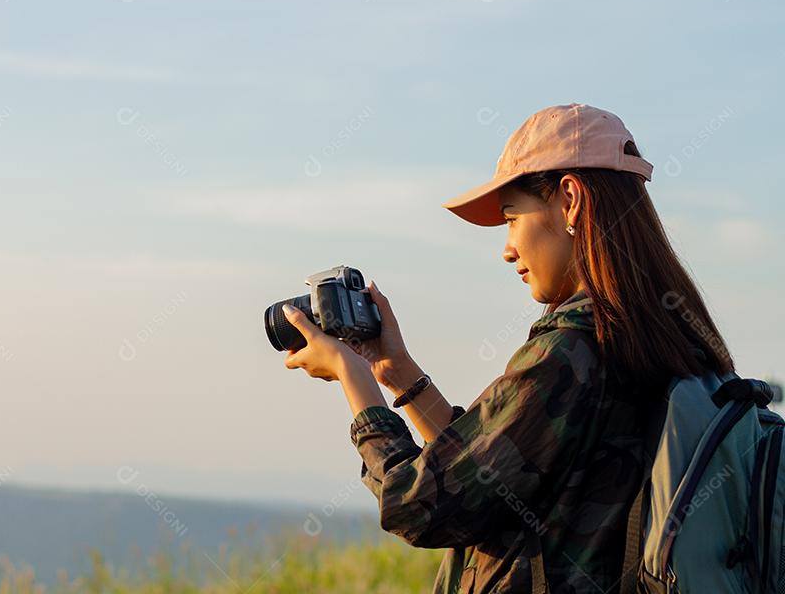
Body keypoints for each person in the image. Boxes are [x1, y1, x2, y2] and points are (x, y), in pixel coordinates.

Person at [281, 103, 737, 593]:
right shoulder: (671, 338)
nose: (507, 248)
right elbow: (496, 472)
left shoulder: (573, 349)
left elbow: (416, 504)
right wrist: (400, 374)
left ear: (570, 200)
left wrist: (354, 380)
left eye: (511, 216)